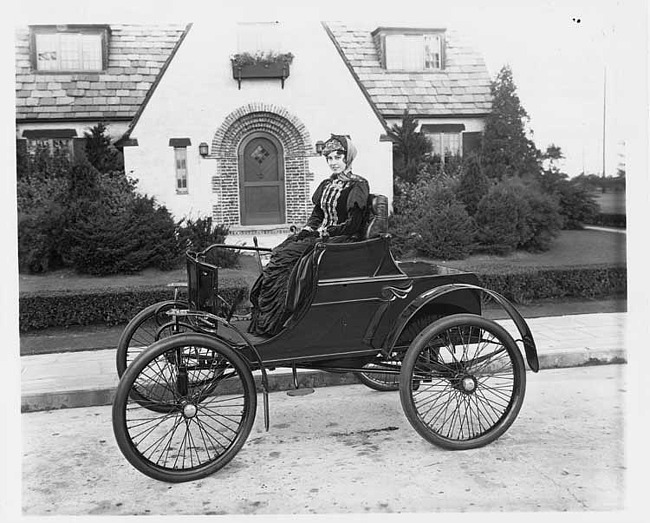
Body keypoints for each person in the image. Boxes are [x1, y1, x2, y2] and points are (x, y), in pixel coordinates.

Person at [248, 134, 370, 337]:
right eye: (329, 159)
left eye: (337, 158)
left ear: (347, 158)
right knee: (281, 253)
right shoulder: (327, 184)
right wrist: (308, 229)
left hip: (341, 239)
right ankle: (272, 318)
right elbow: (318, 215)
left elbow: (353, 224)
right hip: (324, 236)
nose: (333, 163)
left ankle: (283, 321)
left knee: (287, 259)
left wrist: (328, 231)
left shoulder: (358, 186)